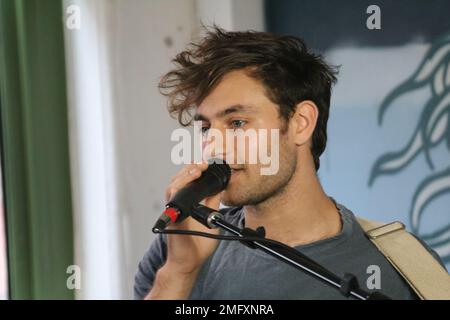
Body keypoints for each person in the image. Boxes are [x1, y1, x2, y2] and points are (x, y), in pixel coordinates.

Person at [134, 26, 446, 300]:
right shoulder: (176, 251)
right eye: (206, 128)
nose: (213, 145)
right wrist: (180, 273)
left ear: (301, 123)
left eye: (237, 122)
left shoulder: (403, 265)